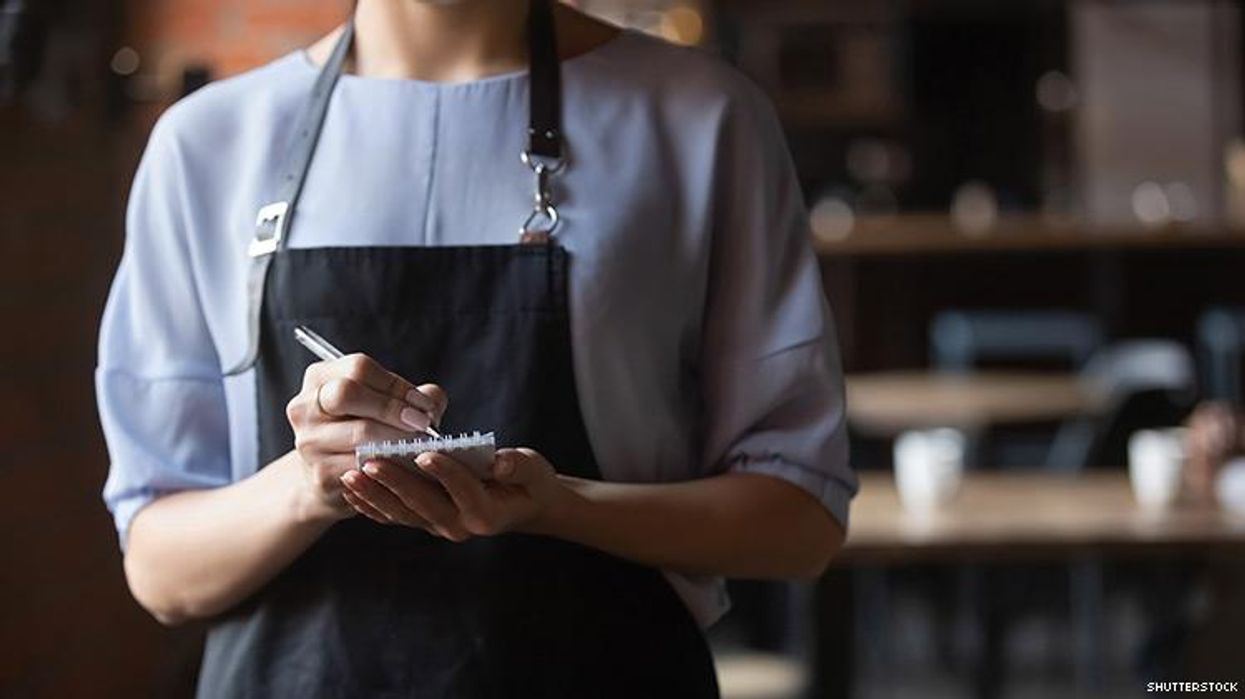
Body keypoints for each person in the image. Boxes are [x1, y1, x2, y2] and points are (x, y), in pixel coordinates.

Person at [96, 1, 856, 696]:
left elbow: (798, 523)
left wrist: (563, 505)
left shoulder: (700, 118)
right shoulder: (208, 143)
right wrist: (306, 485)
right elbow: (163, 571)